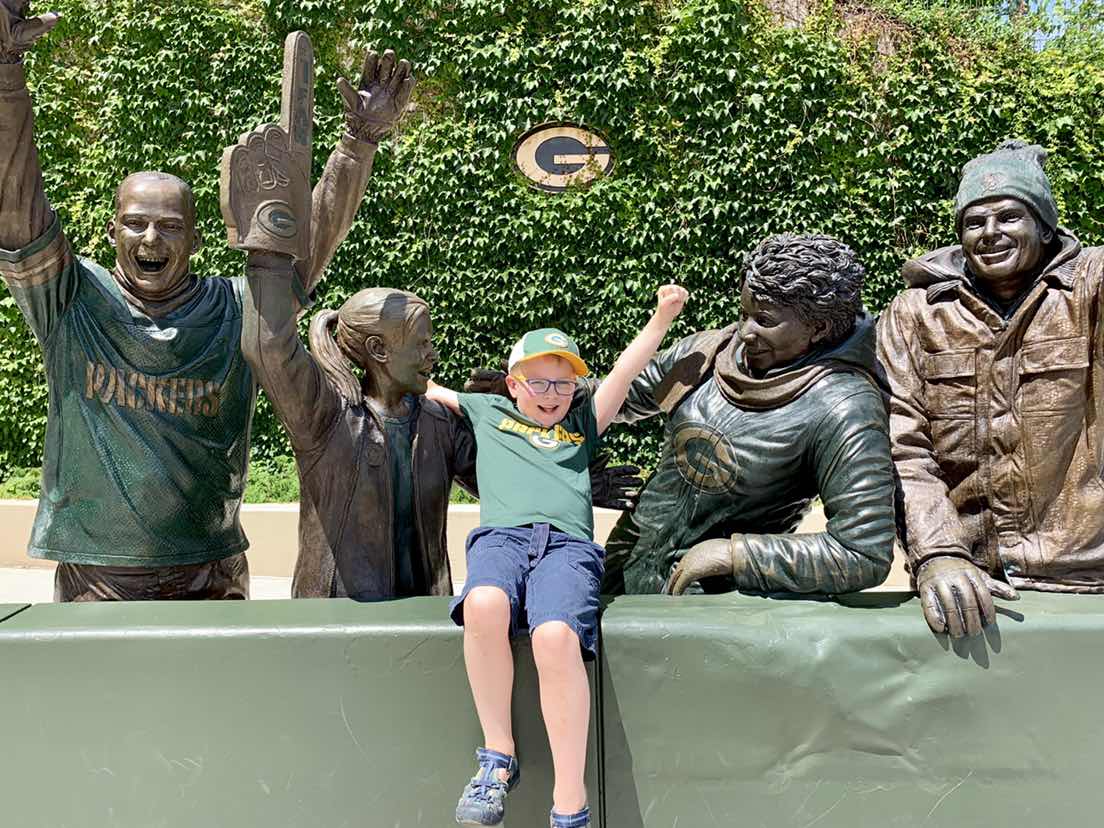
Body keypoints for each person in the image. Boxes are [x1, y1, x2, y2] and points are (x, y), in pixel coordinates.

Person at [0, 3, 402, 599]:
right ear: (111, 231)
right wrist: (6, 72)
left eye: (169, 227)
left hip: (212, 570)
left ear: (194, 239)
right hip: (100, 578)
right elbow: (16, 202)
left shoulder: (235, 309)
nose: (151, 239)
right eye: (135, 223)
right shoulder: (71, 298)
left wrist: (358, 144)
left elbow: (306, 242)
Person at [425, 285, 688, 828]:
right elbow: (419, 385)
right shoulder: (487, 409)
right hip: (502, 539)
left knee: (554, 637)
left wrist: (663, 316)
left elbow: (625, 372)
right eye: (540, 382)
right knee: (483, 604)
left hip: (567, 549)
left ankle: (570, 801)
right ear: (513, 383)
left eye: (564, 383)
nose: (553, 394)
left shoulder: (580, 425)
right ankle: (498, 758)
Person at [878, 139, 1104, 639]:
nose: (990, 232)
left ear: (1045, 227)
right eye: (974, 222)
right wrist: (938, 553)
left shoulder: (1090, 286)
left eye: (1009, 216)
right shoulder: (917, 313)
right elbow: (900, 445)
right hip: (966, 582)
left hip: (1085, 581)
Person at [603, 233, 896, 597]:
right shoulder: (709, 351)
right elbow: (614, 398)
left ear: (818, 328)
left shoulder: (845, 407)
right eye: (744, 314)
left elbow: (862, 551)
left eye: (764, 320)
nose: (745, 332)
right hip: (617, 578)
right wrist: (548, 399)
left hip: (712, 607)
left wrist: (738, 554)